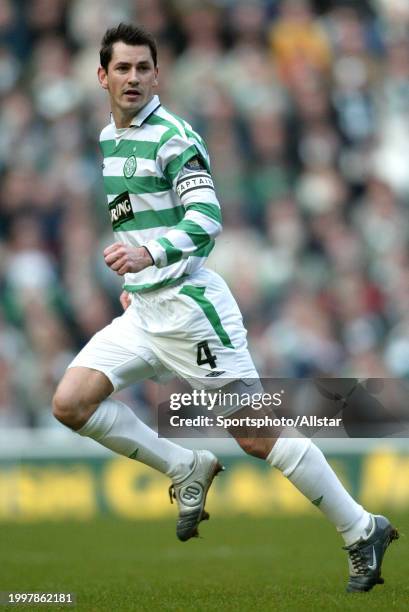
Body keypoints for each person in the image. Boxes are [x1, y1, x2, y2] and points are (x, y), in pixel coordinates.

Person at [52, 23, 397, 593]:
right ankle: (184, 467)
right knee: (71, 402)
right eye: (122, 68)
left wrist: (149, 255)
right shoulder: (108, 139)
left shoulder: (173, 137)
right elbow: (139, 212)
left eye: (143, 68)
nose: (133, 78)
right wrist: (139, 276)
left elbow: (207, 219)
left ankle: (363, 529)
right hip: (144, 310)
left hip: (191, 310)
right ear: (101, 76)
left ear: (157, 74)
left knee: (256, 435)